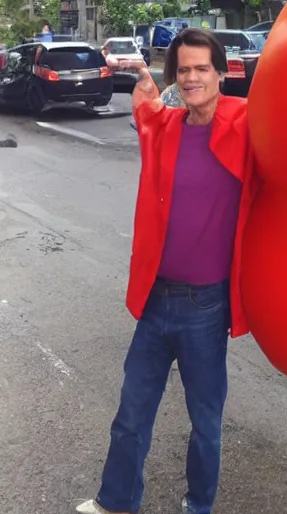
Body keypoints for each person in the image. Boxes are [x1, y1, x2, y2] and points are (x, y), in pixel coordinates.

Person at [77, 28, 256, 514]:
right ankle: (116, 502)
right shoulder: (169, 126)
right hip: (156, 298)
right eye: (184, 70)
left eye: (202, 68)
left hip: (206, 303)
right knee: (131, 415)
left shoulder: (247, 124)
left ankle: (198, 506)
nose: (193, 77)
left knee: (205, 423)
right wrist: (145, 87)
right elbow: (149, 112)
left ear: (222, 72)